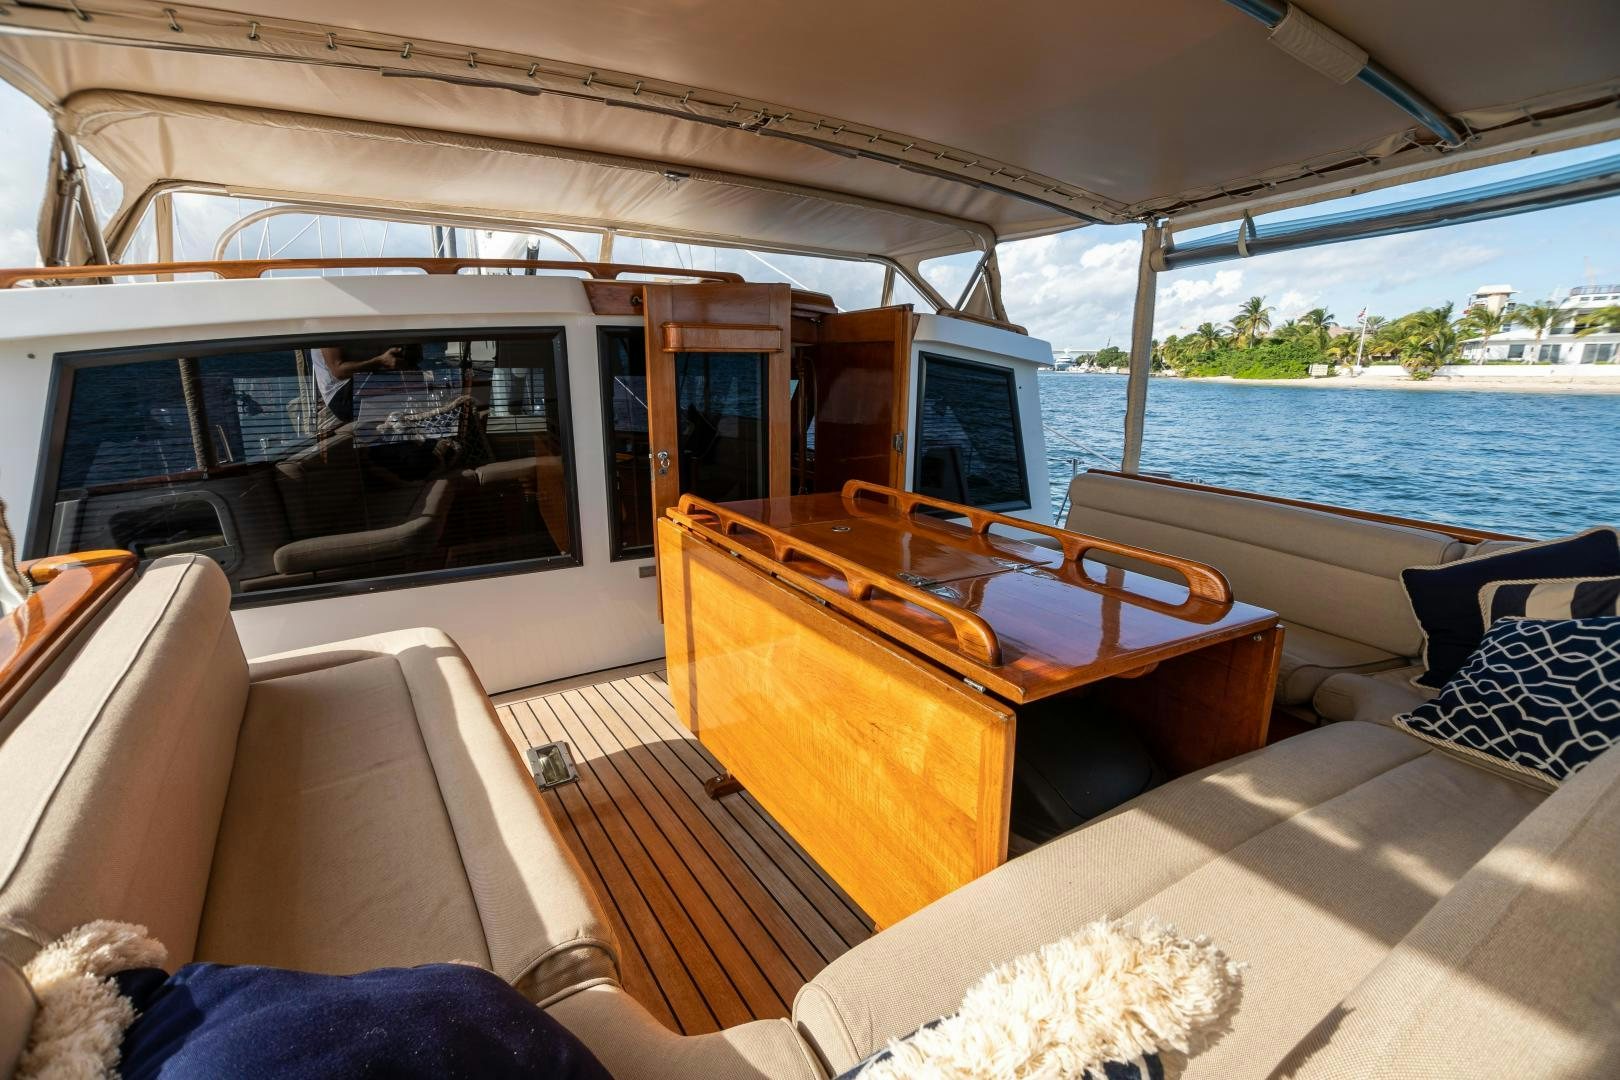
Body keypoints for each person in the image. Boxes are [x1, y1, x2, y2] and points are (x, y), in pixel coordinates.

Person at [313, 345, 401, 428]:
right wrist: (380, 361)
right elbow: (339, 371)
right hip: (341, 397)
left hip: (351, 386)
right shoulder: (328, 330)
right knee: (398, 382)